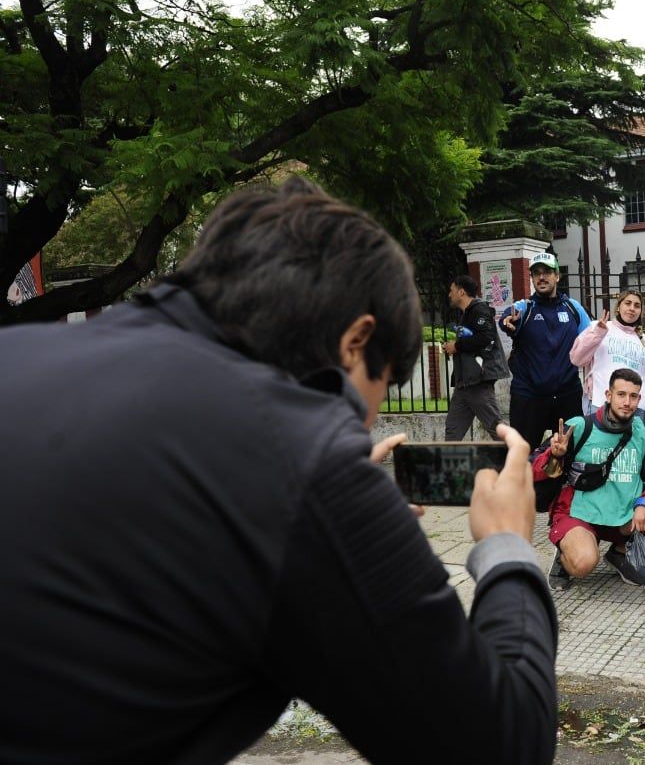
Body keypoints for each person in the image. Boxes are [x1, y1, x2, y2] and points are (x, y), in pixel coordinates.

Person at [0, 178, 558, 764]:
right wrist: (506, 548)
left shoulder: (22, 354)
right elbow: (501, 747)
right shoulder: (298, 464)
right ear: (356, 342)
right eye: (384, 383)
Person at [533, 368, 645, 590]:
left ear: (639, 399)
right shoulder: (580, 426)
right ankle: (565, 555)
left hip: (622, 515)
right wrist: (554, 454)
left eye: (633, 396)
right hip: (580, 513)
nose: (627, 402)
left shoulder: (640, 432)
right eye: (621, 394)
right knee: (583, 563)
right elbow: (532, 465)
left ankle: (618, 553)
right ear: (608, 395)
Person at [500, 251, 591, 507]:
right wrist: (508, 319)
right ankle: (517, 501)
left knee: (570, 450)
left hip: (566, 394)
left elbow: (592, 338)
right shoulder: (524, 308)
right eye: (536, 273)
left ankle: (567, 499)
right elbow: (508, 317)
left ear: (557, 276)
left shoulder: (573, 309)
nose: (541, 277)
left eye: (547, 272)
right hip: (529, 396)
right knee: (522, 451)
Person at [570, 289, 645, 431]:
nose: (632, 308)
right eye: (628, 303)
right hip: (600, 403)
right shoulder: (599, 327)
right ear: (619, 307)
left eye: (637, 305)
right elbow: (577, 358)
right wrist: (597, 333)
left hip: (636, 408)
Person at [443, 274, 511, 440]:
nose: (449, 294)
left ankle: (518, 460)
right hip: (465, 383)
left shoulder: (480, 310)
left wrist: (456, 346)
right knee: (453, 431)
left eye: (451, 290)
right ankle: (448, 465)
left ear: (461, 292)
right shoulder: (466, 313)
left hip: (478, 381)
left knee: (497, 428)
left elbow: (485, 337)